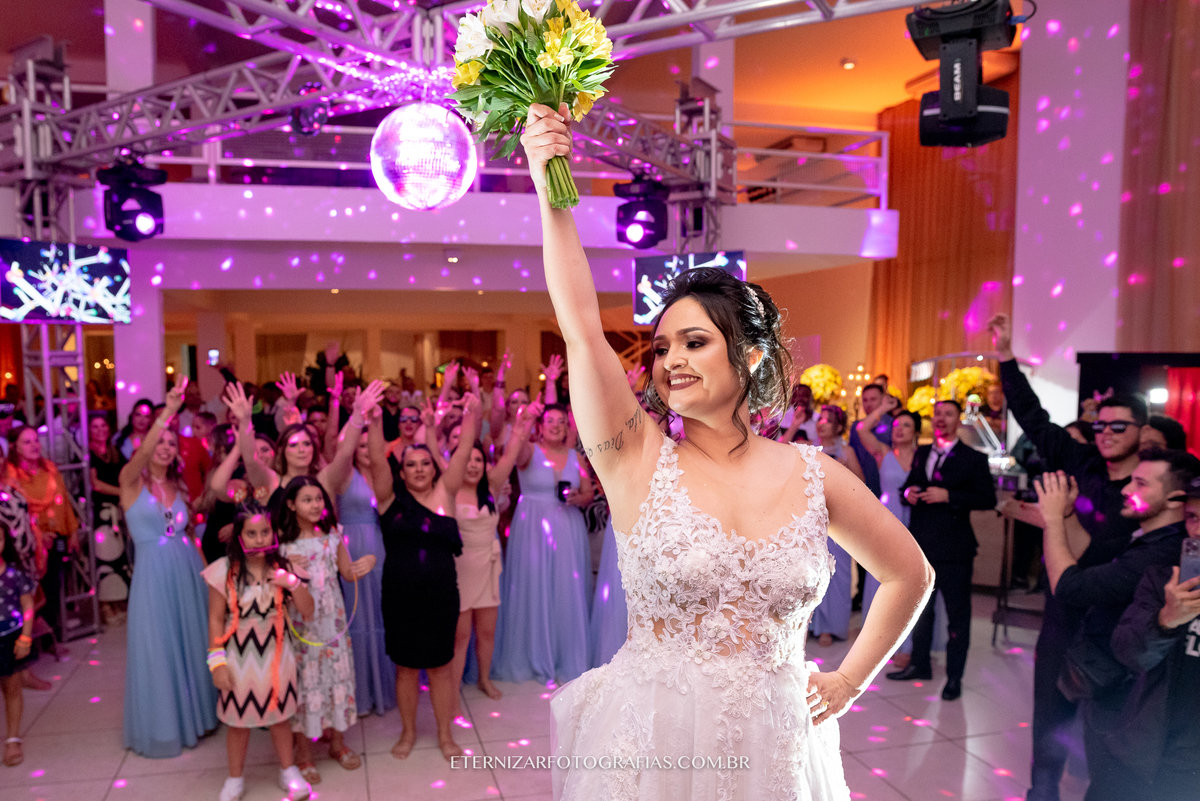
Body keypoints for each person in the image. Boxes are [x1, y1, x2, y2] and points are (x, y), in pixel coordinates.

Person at [520, 102, 933, 799]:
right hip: (656, 751)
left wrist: (846, 682)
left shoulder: (814, 474)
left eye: (694, 342)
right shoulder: (636, 457)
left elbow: (909, 574)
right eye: (661, 348)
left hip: (777, 750)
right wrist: (548, 182)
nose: (671, 361)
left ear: (750, 356)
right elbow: (583, 329)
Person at [987, 313, 1146, 801]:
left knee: (1111, 726)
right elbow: (1033, 418)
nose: (1106, 432)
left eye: (1118, 426)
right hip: (1064, 613)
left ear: (1141, 431)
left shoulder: (1151, 487)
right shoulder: (1082, 463)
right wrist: (1006, 355)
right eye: (1100, 425)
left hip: (1116, 622)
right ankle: (1043, 791)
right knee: (1049, 715)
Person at [1033, 449, 1200, 801]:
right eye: (1193, 517)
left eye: (1140, 483)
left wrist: (1052, 520)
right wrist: (1065, 515)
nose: (1126, 489)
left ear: (1174, 498)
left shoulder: (1165, 554)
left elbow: (1070, 587)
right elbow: (1089, 554)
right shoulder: (1151, 538)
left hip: (1127, 693)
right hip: (1114, 673)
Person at [119, 378, 218, 758]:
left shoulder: (179, 487)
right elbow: (143, 453)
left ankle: (199, 717)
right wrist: (168, 414)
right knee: (158, 646)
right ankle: (165, 727)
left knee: (191, 641)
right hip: (152, 576)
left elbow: (190, 535)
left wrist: (208, 576)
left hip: (186, 572)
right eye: (159, 442)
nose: (164, 447)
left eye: (171, 443)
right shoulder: (130, 482)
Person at [365, 419, 464, 762]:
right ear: (402, 472)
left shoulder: (445, 494)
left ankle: (445, 734)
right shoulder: (388, 500)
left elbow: (464, 451)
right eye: (411, 464)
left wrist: (471, 416)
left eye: (425, 463)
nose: (419, 469)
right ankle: (408, 732)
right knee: (405, 668)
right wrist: (372, 421)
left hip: (441, 597)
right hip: (399, 597)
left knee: (440, 667)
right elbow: (376, 460)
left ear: (435, 469)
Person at [205, 504, 314, 801]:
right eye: (251, 533)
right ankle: (235, 778)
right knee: (238, 722)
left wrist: (292, 583)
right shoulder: (223, 571)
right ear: (239, 536)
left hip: (277, 656)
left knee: (280, 718)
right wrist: (216, 663)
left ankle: (288, 769)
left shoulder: (285, 567)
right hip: (237, 658)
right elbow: (215, 619)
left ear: (273, 533)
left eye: (264, 532)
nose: (259, 539)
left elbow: (308, 610)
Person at [888, 399, 996, 701]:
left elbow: (987, 499)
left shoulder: (973, 458)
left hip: (955, 550)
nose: (941, 418)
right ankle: (920, 665)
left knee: (957, 617)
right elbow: (908, 486)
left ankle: (954, 678)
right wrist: (908, 493)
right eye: (937, 414)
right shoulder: (922, 452)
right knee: (922, 612)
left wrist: (949, 495)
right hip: (922, 547)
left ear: (958, 421)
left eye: (948, 414)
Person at [1106, 474, 1200, 800]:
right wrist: (1166, 621)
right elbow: (1127, 652)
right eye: (1192, 517)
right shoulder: (1163, 580)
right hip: (1154, 750)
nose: (1198, 530)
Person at [275, 476, 373, 784]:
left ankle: (338, 744)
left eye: (318, 499)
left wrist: (366, 562)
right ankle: (303, 754)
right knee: (306, 683)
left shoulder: (332, 536)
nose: (315, 505)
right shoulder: (282, 543)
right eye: (307, 500)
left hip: (333, 621)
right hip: (302, 624)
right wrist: (283, 563)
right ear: (291, 505)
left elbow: (346, 572)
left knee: (336, 676)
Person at [490, 402, 595, 685]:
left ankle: (564, 654)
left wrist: (579, 498)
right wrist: (521, 423)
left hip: (568, 528)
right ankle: (531, 654)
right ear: (540, 425)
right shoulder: (529, 451)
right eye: (550, 420)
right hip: (533, 529)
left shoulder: (576, 457)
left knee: (564, 589)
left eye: (561, 421)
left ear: (567, 427)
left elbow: (589, 493)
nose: (556, 426)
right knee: (533, 586)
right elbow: (513, 450)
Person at [448, 396, 534, 706]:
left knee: (486, 632)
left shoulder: (493, 486)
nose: (473, 465)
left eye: (478, 460)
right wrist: (470, 415)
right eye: (467, 460)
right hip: (459, 570)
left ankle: (484, 679)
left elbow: (510, 454)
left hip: (488, 566)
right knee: (459, 637)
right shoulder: (449, 489)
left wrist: (520, 429)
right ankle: (452, 689)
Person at [331, 428, 395, 718]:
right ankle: (361, 693)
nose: (368, 450)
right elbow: (339, 445)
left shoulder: (385, 475)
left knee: (383, 612)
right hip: (352, 546)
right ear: (354, 451)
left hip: (381, 546)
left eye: (372, 445)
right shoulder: (346, 475)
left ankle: (385, 687)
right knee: (357, 615)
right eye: (362, 445)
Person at [857, 406, 923, 667]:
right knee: (883, 579)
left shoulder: (923, 455)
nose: (899, 429)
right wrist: (883, 408)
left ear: (916, 432)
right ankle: (880, 642)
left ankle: (909, 645)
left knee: (911, 580)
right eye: (896, 425)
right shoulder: (884, 453)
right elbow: (862, 429)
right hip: (888, 519)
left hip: (916, 519)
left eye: (906, 425)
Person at [5, 426, 78, 645]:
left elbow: (64, 502)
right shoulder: (11, 476)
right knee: (30, 593)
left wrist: (73, 531)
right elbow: (16, 512)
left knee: (53, 588)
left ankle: (48, 639)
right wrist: (38, 533)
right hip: (27, 545)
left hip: (55, 539)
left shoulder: (49, 469)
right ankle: (28, 642)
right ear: (15, 447)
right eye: (27, 442)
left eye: (36, 440)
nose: (34, 445)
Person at [809, 404, 867, 647]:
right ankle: (812, 625)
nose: (822, 424)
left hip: (838, 520)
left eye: (828, 420)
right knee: (812, 571)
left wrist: (842, 472)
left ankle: (832, 627)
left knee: (838, 574)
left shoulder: (847, 451)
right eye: (820, 419)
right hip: (812, 518)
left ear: (838, 426)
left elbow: (861, 484)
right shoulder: (808, 448)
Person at [87, 413, 130, 621]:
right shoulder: (87, 454)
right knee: (104, 558)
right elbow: (95, 484)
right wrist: (122, 492)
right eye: (95, 427)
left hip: (118, 511)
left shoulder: (115, 452)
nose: (100, 430)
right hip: (100, 513)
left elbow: (127, 474)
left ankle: (118, 600)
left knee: (119, 558)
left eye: (103, 425)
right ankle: (105, 605)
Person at [0, 521, 36, 767]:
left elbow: (28, 606)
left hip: (9, 638)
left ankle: (13, 740)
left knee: (11, 688)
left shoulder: (14, 575)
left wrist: (25, 636)